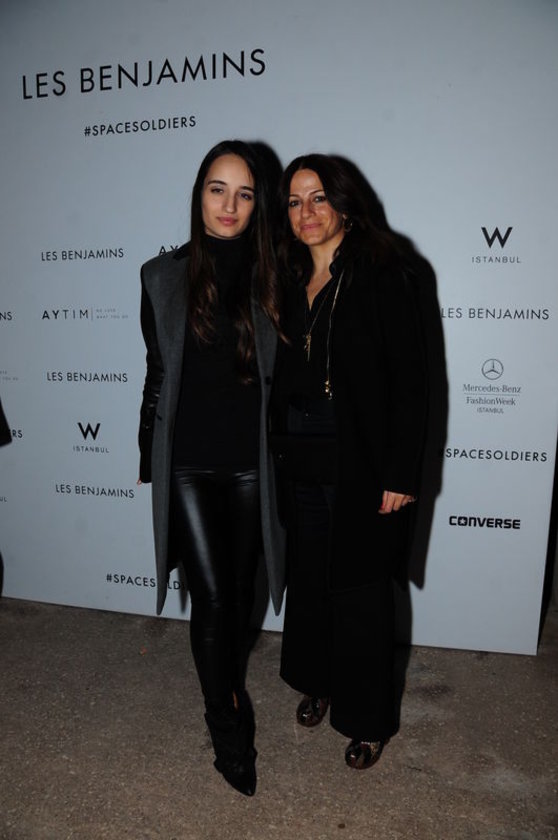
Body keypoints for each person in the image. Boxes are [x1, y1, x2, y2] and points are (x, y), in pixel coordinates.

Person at [270, 154, 428, 770]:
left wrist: (400, 474)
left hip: (359, 454)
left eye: (318, 198)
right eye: (294, 201)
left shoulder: (386, 270)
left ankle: (367, 718)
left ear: (344, 203)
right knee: (311, 577)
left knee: (361, 588)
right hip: (298, 453)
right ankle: (319, 679)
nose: (305, 212)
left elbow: (412, 381)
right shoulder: (286, 275)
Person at [138, 140, 285, 796]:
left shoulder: (274, 276)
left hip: (253, 466)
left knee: (242, 594)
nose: (230, 205)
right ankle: (225, 718)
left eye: (244, 193)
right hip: (190, 465)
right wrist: (147, 452)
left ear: (257, 205)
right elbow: (157, 372)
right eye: (217, 189)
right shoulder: (160, 276)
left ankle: (226, 688)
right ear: (198, 195)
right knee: (214, 596)